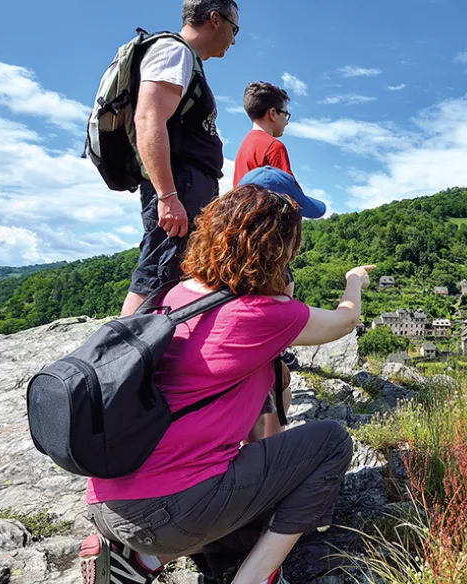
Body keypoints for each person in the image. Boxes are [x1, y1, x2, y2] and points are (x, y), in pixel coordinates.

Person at [80, 183, 374, 584]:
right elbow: (344, 321)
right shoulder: (263, 313)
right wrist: (353, 281)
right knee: (331, 442)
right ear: (278, 252)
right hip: (167, 513)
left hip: (105, 504)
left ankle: (136, 560)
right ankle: (253, 577)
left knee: (233, 468)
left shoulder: (176, 293)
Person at [120, 0, 240, 317]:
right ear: (216, 19)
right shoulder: (175, 52)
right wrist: (168, 196)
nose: (234, 39)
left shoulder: (185, 59)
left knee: (176, 271)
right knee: (158, 273)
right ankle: (121, 357)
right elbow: (148, 119)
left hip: (187, 185)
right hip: (180, 186)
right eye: (234, 28)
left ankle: (154, 353)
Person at [236, 167, 327, 446]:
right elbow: (343, 322)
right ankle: (266, 458)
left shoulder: (205, 278)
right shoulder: (280, 280)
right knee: (282, 389)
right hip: (215, 478)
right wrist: (354, 283)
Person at [232, 82, 295, 187]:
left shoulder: (244, 146)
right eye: (285, 114)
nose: (286, 121)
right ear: (273, 113)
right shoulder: (273, 146)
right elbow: (290, 194)